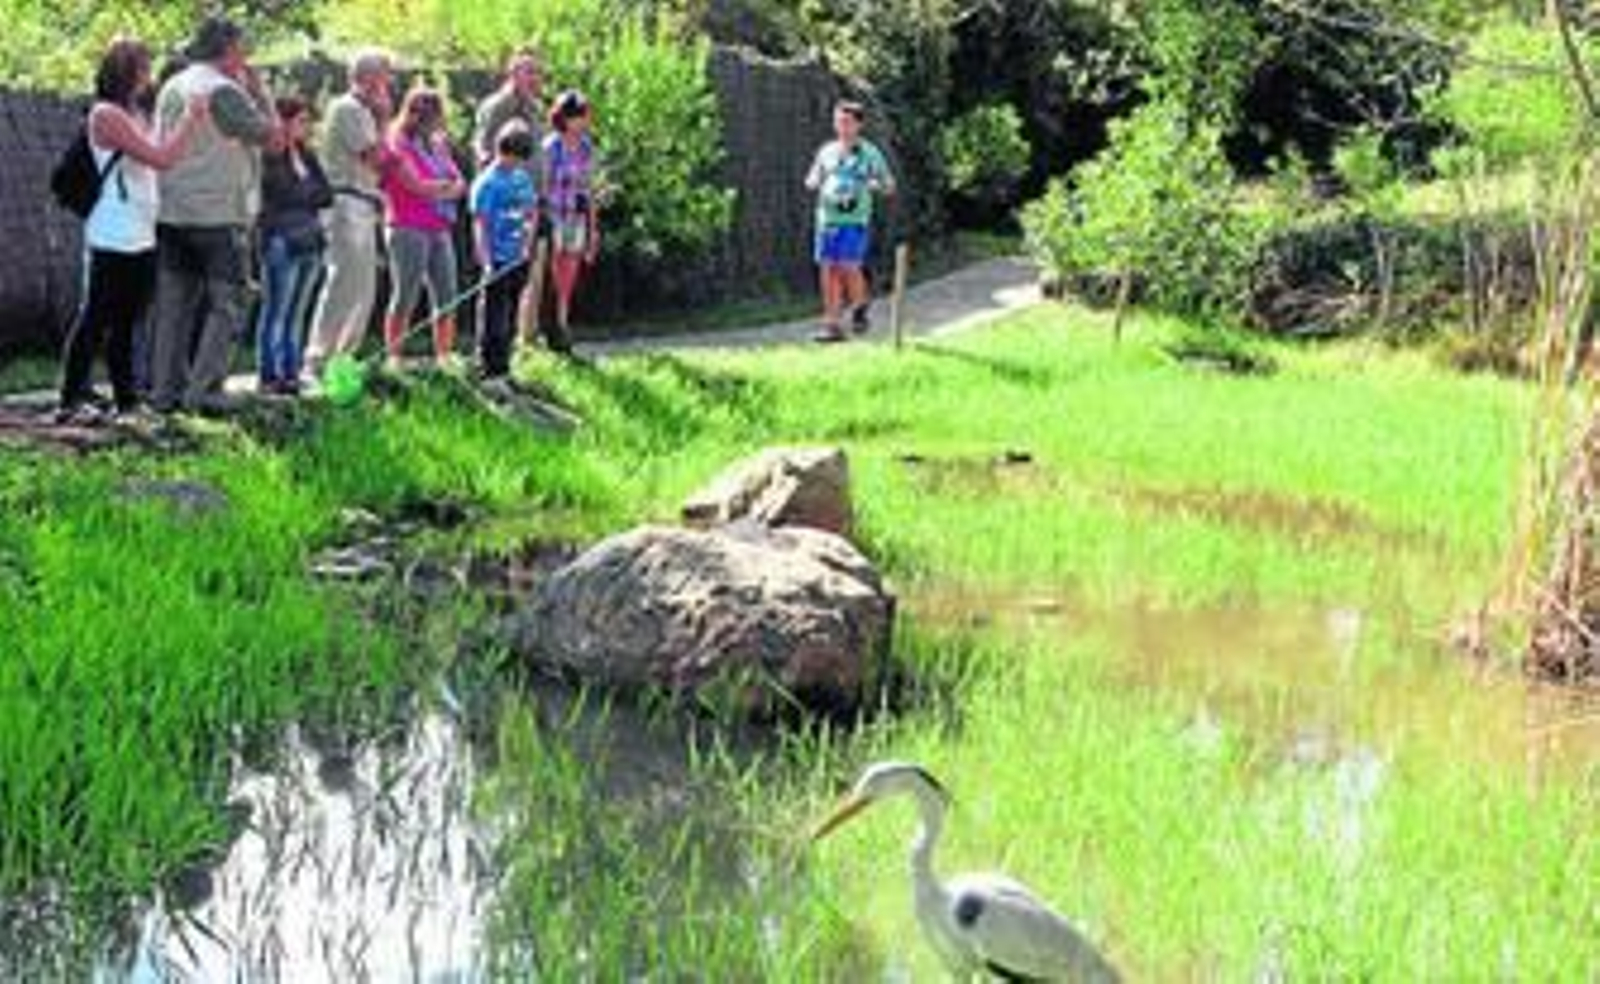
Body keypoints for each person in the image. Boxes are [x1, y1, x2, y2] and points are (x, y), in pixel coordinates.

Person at [55, 37, 206, 424]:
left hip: (141, 228)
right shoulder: (107, 115)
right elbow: (162, 158)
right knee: (98, 315)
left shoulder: (136, 112)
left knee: (129, 318)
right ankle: (70, 398)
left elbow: (157, 151)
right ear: (127, 71)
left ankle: (126, 401)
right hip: (112, 228)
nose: (148, 76)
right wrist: (191, 120)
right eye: (143, 68)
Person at [148, 15, 281, 414]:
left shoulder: (173, 84)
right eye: (242, 47)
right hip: (218, 214)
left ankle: (164, 393)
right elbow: (274, 139)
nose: (246, 56)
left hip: (172, 210)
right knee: (230, 303)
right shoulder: (224, 90)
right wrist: (261, 92)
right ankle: (204, 391)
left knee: (174, 306)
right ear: (226, 49)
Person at [303, 48, 393, 381]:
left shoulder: (364, 111)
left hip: (364, 201)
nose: (389, 83)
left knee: (364, 286)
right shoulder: (349, 108)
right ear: (368, 78)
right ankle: (318, 357)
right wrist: (384, 121)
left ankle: (343, 358)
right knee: (343, 281)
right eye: (386, 76)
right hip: (346, 201)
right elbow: (375, 157)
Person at [380, 86, 467, 370]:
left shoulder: (438, 143)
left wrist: (441, 189)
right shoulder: (397, 141)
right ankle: (393, 356)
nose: (439, 123)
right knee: (406, 293)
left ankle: (444, 356)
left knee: (447, 293)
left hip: (439, 226)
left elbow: (459, 182)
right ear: (416, 115)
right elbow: (414, 184)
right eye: (434, 117)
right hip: (407, 226)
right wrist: (442, 189)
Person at [255, 96, 333, 395]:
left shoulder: (307, 154)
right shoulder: (268, 156)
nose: (307, 127)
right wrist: (305, 192)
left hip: (310, 239)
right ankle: (269, 374)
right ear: (283, 122)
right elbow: (280, 192)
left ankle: (291, 370)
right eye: (301, 120)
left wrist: (302, 192)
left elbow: (327, 194)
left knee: (297, 311)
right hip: (281, 240)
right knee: (277, 309)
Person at [471, 48, 548, 350]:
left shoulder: (534, 107)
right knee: (494, 288)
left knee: (523, 278)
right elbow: (482, 145)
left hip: (528, 196)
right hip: (499, 203)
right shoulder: (497, 105)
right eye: (529, 72)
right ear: (513, 74)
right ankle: (487, 353)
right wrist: (492, 187)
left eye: (538, 72)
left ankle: (517, 341)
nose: (536, 78)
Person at [804, 100, 896, 343]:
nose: (841, 127)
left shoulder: (870, 153)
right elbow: (814, 175)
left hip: (854, 221)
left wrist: (874, 184)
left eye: (846, 122)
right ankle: (833, 327)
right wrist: (812, 181)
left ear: (859, 125)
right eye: (837, 121)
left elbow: (889, 185)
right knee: (827, 270)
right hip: (826, 219)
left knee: (848, 266)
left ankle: (860, 305)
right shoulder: (827, 150)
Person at [470, 123, 539, 382]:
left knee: (510, 316)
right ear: (504, 152)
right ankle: (487, 368)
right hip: (496, 259)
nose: (518, 165)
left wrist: (526, 246)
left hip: (518, 258)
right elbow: (479, 224)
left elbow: (531, 212)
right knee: (493, 316)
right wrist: (486, 260)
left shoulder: (521, 178)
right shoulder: (487, 183)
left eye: (521, 160)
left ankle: (504, 366)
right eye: (516, 159)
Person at [541, 90, 599, 356]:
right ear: (568, 117)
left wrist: (593, 228)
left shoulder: (587, 146)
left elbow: (588, 189)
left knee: (568, 277)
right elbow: (541, 187)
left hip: (575, 218)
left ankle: (562, 328)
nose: (588, 120)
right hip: (554, 216)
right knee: (550, 277)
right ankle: (546, 331)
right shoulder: (551, 146)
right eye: (583, 115)